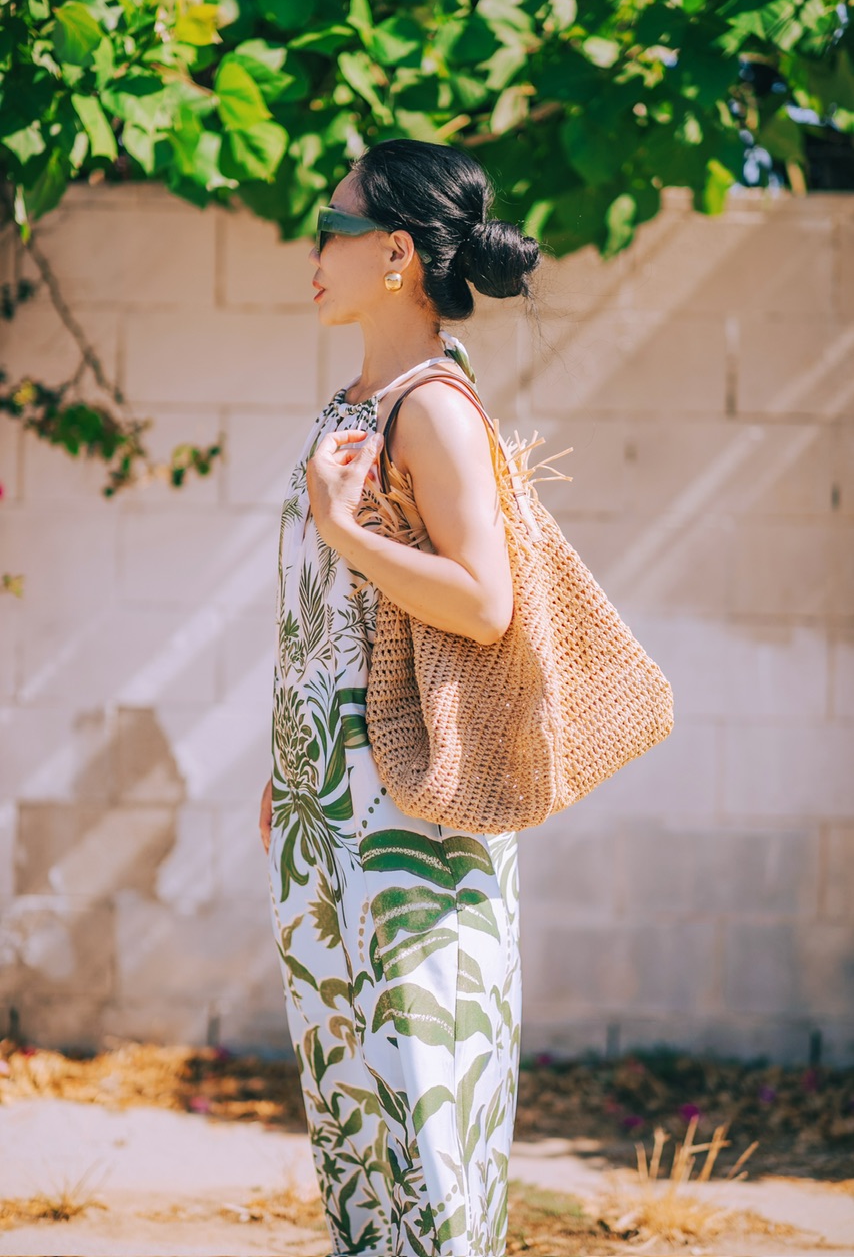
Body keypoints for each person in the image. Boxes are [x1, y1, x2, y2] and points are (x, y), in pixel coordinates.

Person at [258, 137, 540, 1257]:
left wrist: (338, 526)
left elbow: (483, 601)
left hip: (411, 811)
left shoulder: (432, 406)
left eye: (330, 225)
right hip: (327, 809)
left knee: (421, 1115)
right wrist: (288, 783)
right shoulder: (355, 397)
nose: (310, 247)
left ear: (392, 254)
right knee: (353, 1129)